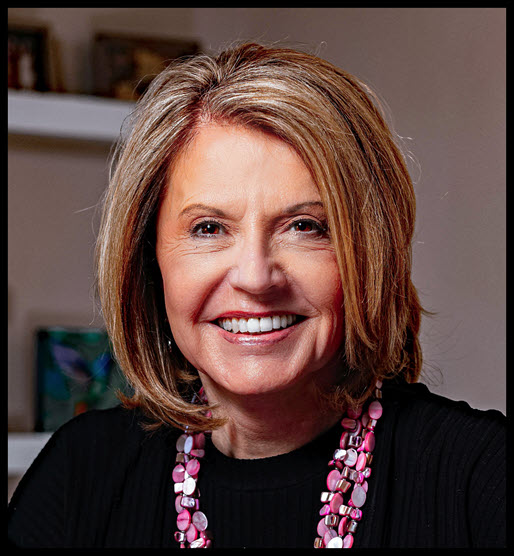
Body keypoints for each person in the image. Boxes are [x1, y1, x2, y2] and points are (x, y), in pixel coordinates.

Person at [8, 41, 505, 548]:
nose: (255, 277)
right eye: (208, 228)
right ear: (148, 258)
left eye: (305, 226)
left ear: (371, 253)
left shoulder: (482, 476)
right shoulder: (79, 474)